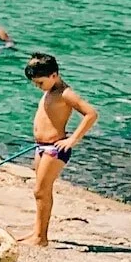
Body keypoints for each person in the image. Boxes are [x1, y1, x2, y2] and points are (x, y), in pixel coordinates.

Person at [24, 52, 98, 247]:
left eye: (40, 83)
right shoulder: (50, 91)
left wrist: (72, 140)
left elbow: (91, 114)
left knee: (41, 190)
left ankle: (41, 238)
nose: (38, 87)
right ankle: (37, 233)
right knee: (40, 192)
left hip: (55, 149)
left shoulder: (65, 94)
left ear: (54, 75)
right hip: (42, 147)